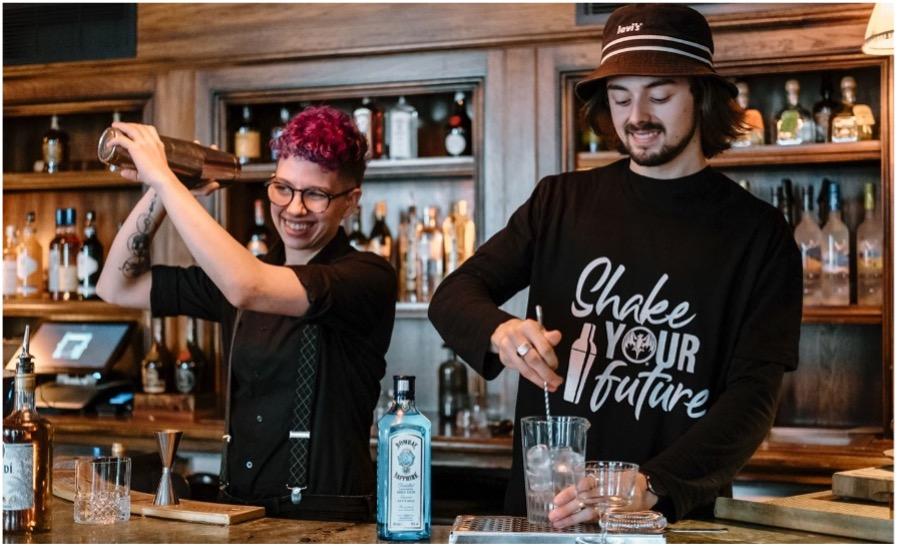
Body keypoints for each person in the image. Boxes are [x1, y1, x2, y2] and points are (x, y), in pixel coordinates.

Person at [428, 3, 801, 526]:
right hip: (548, 522)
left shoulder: (760, 235)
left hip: (674, 524)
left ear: (703, 96)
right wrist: (501, 330)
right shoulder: (559, 202)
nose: (637, 116)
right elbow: (454, 294)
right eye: (620, 97)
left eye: (661, 95)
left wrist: (653, 484)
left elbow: (753, 400)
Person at [97, 106, 397, 521]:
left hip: (329, 524)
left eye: (316, 194)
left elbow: (248, 286)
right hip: (237, 515)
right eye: (282, 188)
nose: (294, 208)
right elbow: (116, 286)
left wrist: (165, 179)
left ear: (351, 202)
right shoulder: (242, 268)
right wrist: (162, 188)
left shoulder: (365, 278)